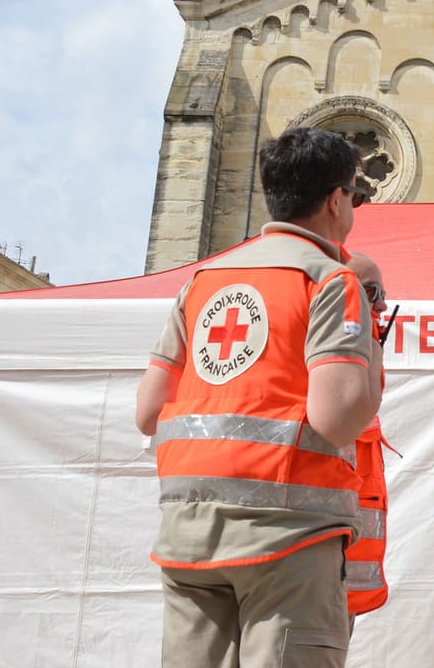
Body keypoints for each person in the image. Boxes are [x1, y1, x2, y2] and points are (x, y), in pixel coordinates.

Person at [135, 125, 383, 668]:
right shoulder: (329, 280)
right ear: (336, 199)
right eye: (355, 196)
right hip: (287, 534)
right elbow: (339, 419)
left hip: (188, 529)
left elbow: (149, 412)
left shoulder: (200, 282)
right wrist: (372, 343)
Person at [345, 253, 393, 623]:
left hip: (339, 583)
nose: (383, 305)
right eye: (373, 292)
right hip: (306, 572)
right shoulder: (332, 370)